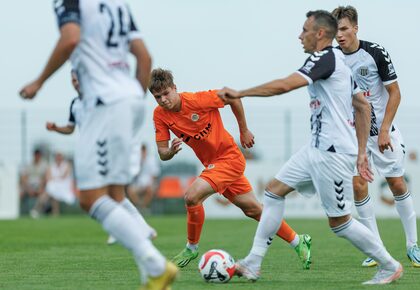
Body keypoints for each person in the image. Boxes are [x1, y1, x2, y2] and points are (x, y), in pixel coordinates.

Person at [218, 10, 402, 285]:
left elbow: (283, 86)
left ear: (319, 34)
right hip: (315, 148)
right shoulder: (339, 60)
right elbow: (362, 105)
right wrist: (362, 151)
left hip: (332, 154)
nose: (299, 35)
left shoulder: (325, 57)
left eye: (304, 30)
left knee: (340, 224)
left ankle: (389, 265)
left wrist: (241, 93)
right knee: (273, 192)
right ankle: (254, 262)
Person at [19, 1, 176, 289]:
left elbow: (70, 39)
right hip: (127, 100)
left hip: (104, 105)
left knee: (90, 198)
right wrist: (131, 99)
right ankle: (150, 277)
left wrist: (39, 81)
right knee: (115, 198)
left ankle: (155, 265)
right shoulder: (116, 3)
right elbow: (144, 56)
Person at [150, 68, 312, 269]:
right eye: (158, 97)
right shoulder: (159, 115)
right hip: (213, 165)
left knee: (191, 197)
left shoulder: (199, 100)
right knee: (254, 210)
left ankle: (192, 247)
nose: (163, 99)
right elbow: (162, 153)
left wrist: (243, 130)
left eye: (166, 93)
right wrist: (171, 152)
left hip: (230, 159)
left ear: (174, 88)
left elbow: (233, 96)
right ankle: (298, 241)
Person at [332, 5, 420, 268]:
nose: (340, 35)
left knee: (396, 184)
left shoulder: (375, 53)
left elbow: (395, 93)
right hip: (353, 137)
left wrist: (384, 129)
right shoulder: (333, 60)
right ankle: (376, 248)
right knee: (359, 186)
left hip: (383, 134)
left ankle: (412, 245)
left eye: (345, 29)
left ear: (356, 28)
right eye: (336, 30)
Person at [128, 144, 161, 212]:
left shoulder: (151, 161)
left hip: (149, 184)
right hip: (139, 184)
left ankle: (143, 207)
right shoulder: (136, 161)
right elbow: (133, 174)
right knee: (130, 191)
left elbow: (154, 175)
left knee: (149, 190)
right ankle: (139, 206)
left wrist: (150, 184)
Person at [19, 148, 49, 218]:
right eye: (36, 155)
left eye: (38, 155)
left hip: (40, 186)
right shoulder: (29, 164)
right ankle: (17, 211)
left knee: (44, 195)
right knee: (20, 192)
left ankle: (35, 211)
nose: (37, 157)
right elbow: (23, 178)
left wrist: (41, 188)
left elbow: (46, 178)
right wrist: (29, 189)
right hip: (28, 186)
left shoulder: (45, 165)